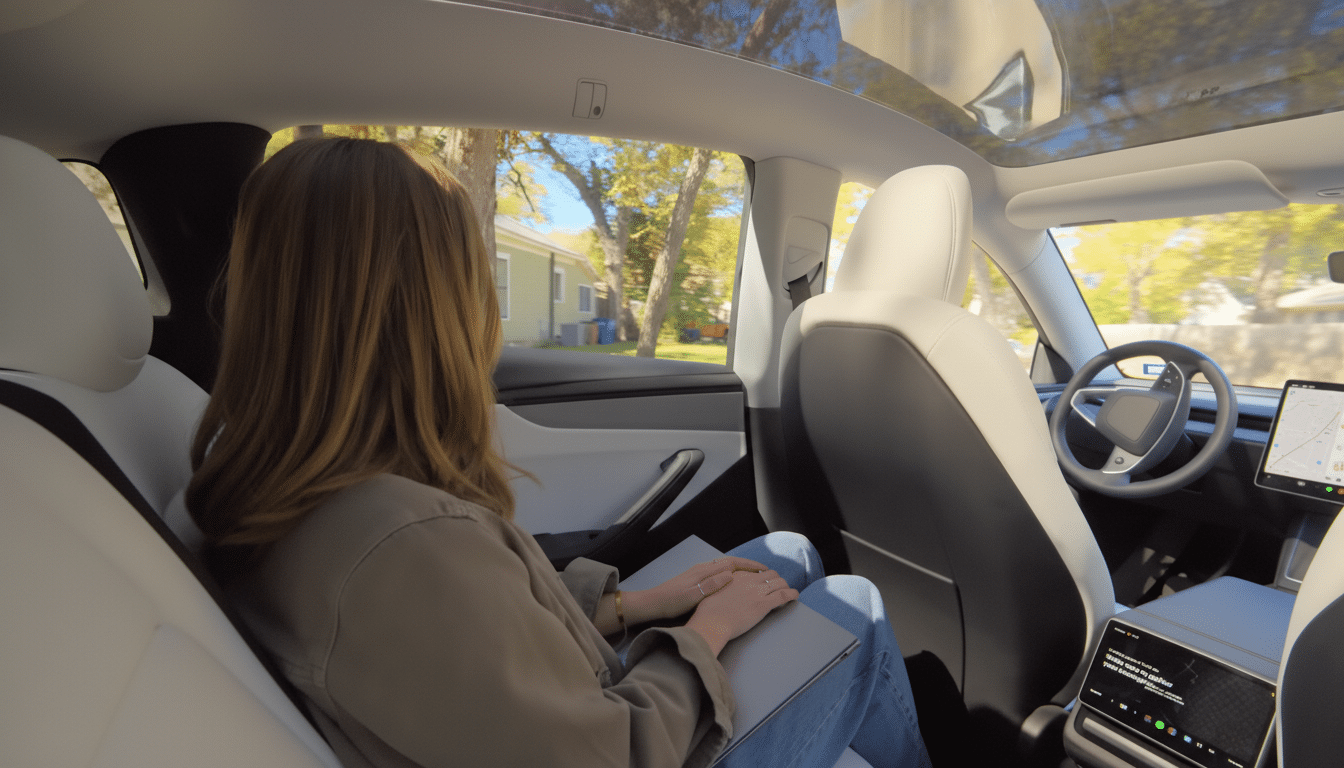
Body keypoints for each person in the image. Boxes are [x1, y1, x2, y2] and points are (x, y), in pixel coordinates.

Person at [187, 137, 932, 768]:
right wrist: (703, 633)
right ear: (431, 308)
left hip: (582, 698)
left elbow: (477, 658)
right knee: (855, 612)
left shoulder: (306, 494)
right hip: (630, 734)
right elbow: (613, 750)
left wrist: (634, 605)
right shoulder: (403, 543)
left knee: (787, 555)